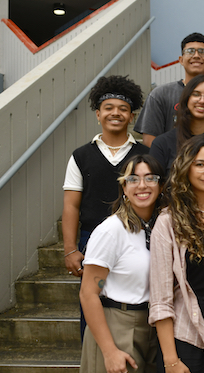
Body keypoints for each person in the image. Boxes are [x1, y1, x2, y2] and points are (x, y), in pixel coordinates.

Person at [62, 75, 149, 338]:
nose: (116, 113)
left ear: (131, 117)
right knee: (91, 300)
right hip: (92, 240)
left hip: (137, 237)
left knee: (134, 300)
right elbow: (71, 206)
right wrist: (70, 250)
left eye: (123, 109)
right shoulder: (81, 156)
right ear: (98, 114)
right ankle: (94, 354)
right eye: (109, 108)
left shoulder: (144, 154)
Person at [149, 134, 204, 373]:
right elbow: (160, 299)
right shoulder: (169, 221)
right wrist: (171, 360)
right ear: (185, 168)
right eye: (200, 164)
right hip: (188, 331)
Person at [79, 154, 165, 373]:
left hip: (154, 325)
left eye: (150, 178)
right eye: (133, 179)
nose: (142, 185)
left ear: (161, 185)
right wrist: (109, 351)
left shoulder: (160, 228)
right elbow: (88, 293)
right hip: (117, 324)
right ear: (124, 188)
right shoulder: (111, 230)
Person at [135, 32, 204, 147]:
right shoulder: (160, 95)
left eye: (202, 52)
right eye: (190, 51)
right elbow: (150, 140)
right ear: (181, 60)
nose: (196, 56)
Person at [148, 74, 204, 180]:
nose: (202, 100)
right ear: (186, 100)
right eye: (196, 95)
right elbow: (154, 185)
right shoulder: (162, 143)